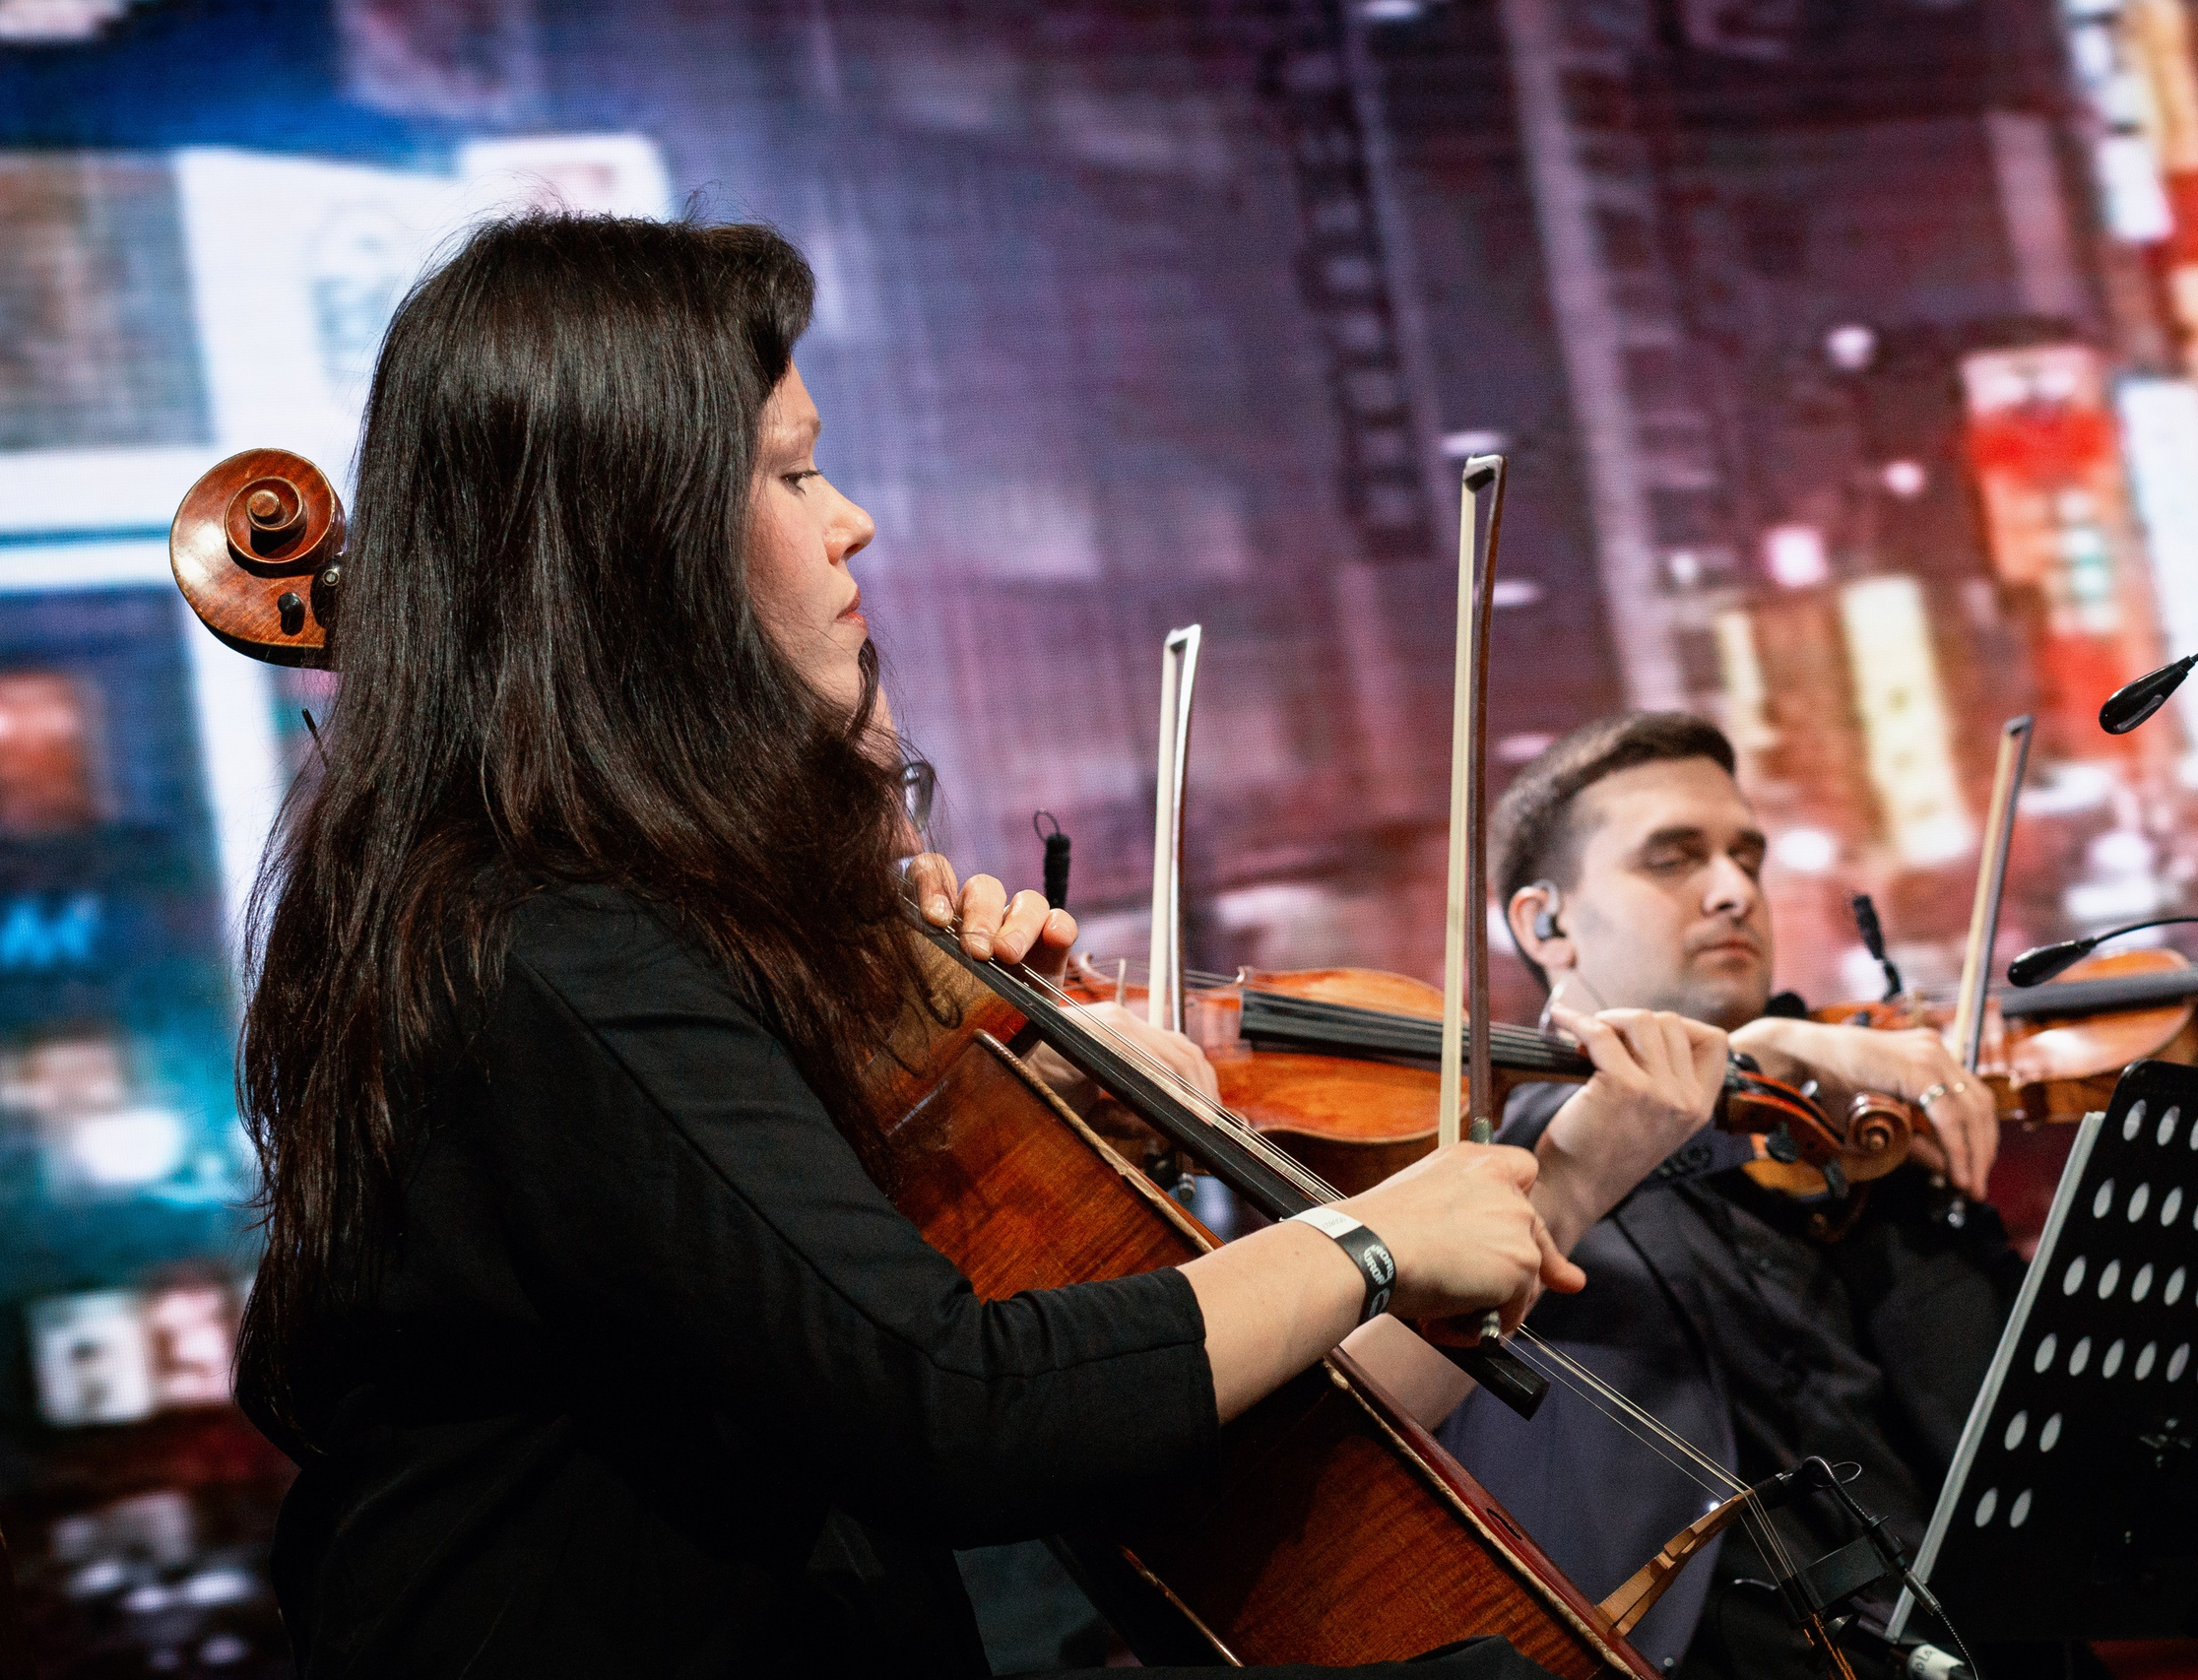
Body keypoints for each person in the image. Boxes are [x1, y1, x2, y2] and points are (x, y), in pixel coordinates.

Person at [231, 212, 1605, 1679]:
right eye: (791, 473)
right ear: (641, 540)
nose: (852, 520)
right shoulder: (552, 946)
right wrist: (1369, 1241)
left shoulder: (581, 922)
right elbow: (948, 1401)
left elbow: (775, 1286)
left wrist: (988, 1095)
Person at [1352, 713, 2025, 1677]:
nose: (1734, 889)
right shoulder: (1509, 1156)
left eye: (1745, 857)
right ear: (1545, 923)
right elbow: (1356, 1405)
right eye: (1672, 858)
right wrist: (1758, 1057)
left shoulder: (1848, 1134)